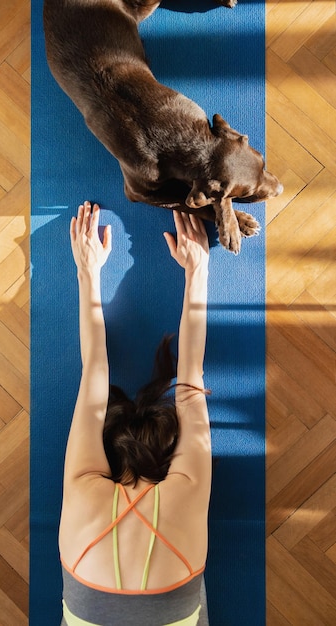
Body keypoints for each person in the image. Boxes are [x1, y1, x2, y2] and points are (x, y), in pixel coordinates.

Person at [59, 201, 212, 626]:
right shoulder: (83, 489)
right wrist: (88, 272)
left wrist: (197, 270)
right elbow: (94, 377)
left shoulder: (187, 488)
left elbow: (190, 383)